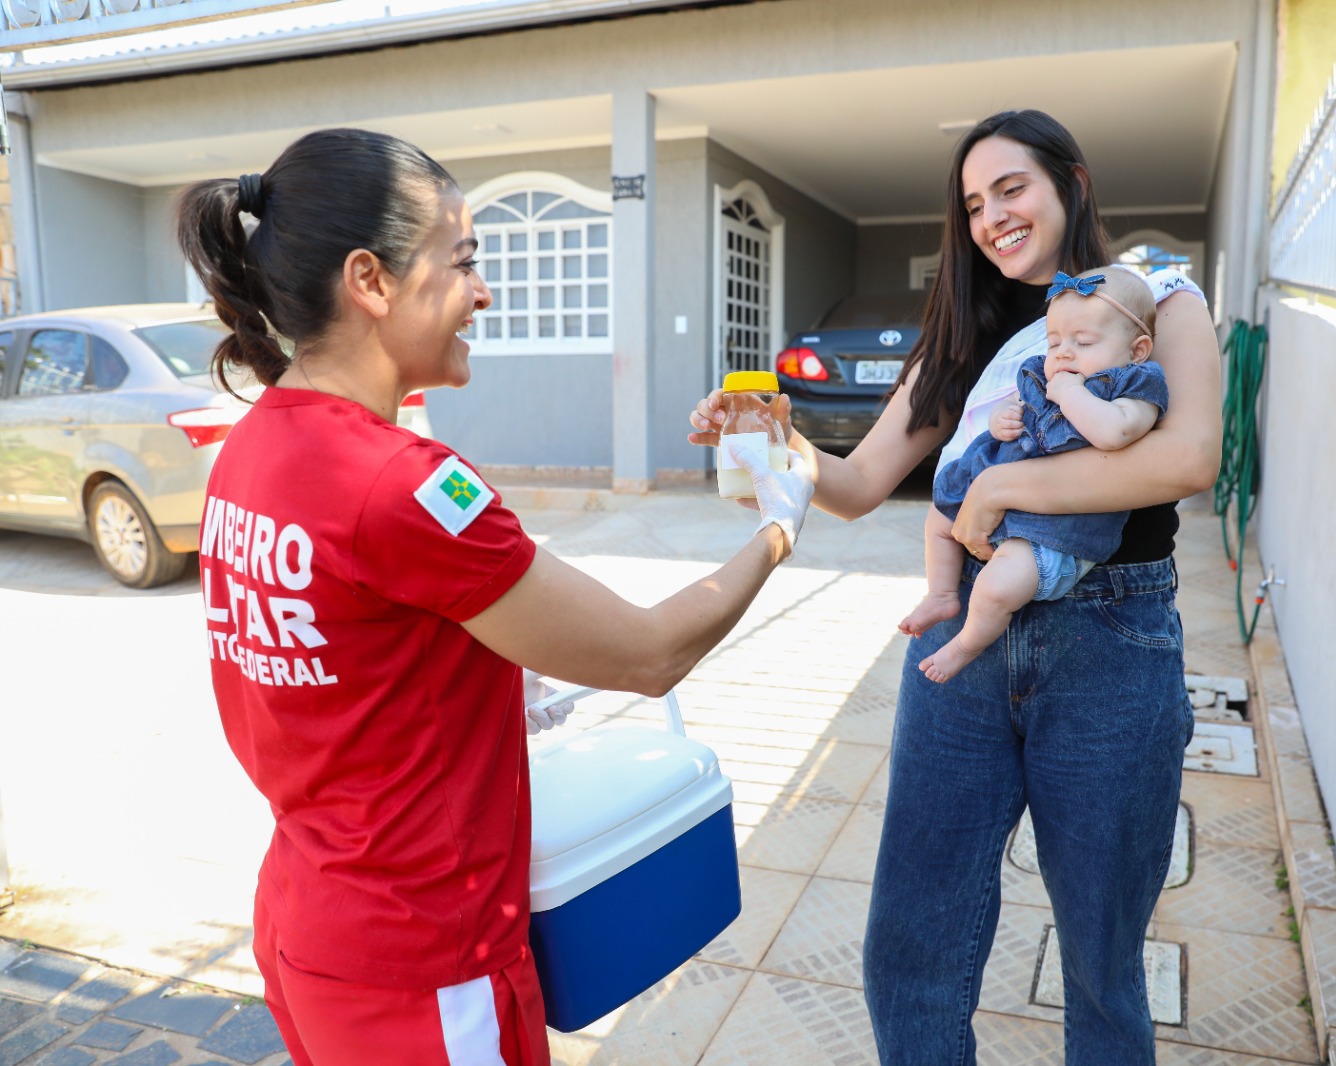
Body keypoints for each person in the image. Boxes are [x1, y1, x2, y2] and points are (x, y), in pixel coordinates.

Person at [178, 127, 812, 1066]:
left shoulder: (252, 450)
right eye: (463, 260)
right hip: (425, 959)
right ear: (372, 280)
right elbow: (648, 654)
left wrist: (480, 680)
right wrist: (778, 526)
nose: (484, 291)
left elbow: (343, 658)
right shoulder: (406, 484)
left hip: (310, 928)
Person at [689, 109, 1221, 1064]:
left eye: (1011, 189)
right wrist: (771, 433)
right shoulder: (961, 332)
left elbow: (1184, 460)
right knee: (913, 948)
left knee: (1103, 961)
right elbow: (855, 486)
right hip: (961, 648)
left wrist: (1002, 485)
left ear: (1074, 183)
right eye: (973, 204)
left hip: (1112, 641)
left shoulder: (1158, 302)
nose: (991, 218)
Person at [903, 266, 1166, 683]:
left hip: (1052, 531)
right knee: (938, 518)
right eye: (1054, 341)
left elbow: (1115, 432)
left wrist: (1071, 393)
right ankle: (941, 593)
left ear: (1137, 350)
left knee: (997, 586)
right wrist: (1002, 422)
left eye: (1083, 342)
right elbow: (1020, 416)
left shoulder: (1136, 385)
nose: (1062, 352)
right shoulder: (1040, 373)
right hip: (1000, 493)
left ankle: (965, 644)